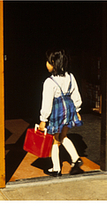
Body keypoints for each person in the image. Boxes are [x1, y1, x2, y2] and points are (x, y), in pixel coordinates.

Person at [38, 48, 83, 177]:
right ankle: (75, 158)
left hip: (57, 112)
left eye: (47, 61)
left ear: (53, 62)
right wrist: (77, 110)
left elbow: (47, 102)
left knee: (54, 140)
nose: (46, 64)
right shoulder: (70, 77)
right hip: (68, 110)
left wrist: (43, 119)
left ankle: (56, 168)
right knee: (63, 137)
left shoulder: (49, 82)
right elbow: (76, 94)